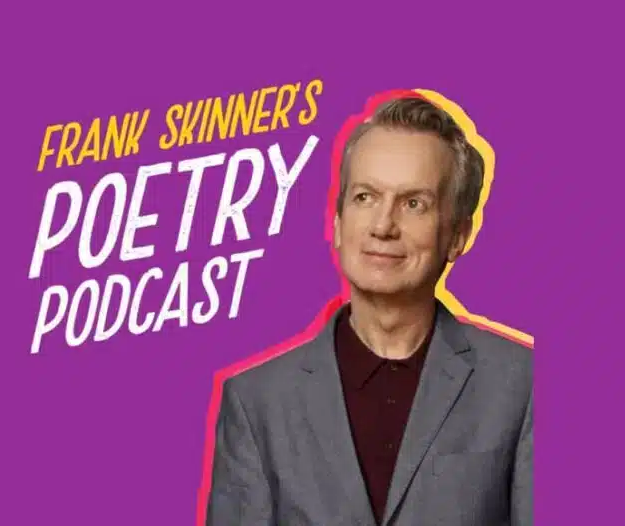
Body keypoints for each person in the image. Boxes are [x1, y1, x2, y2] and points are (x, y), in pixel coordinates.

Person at [206, 96, 533, 526]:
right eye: (365, 197)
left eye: (413, 203)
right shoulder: (255, 404)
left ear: (457, 235)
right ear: (338, 222)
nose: (383, 226)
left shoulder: (524, 386)